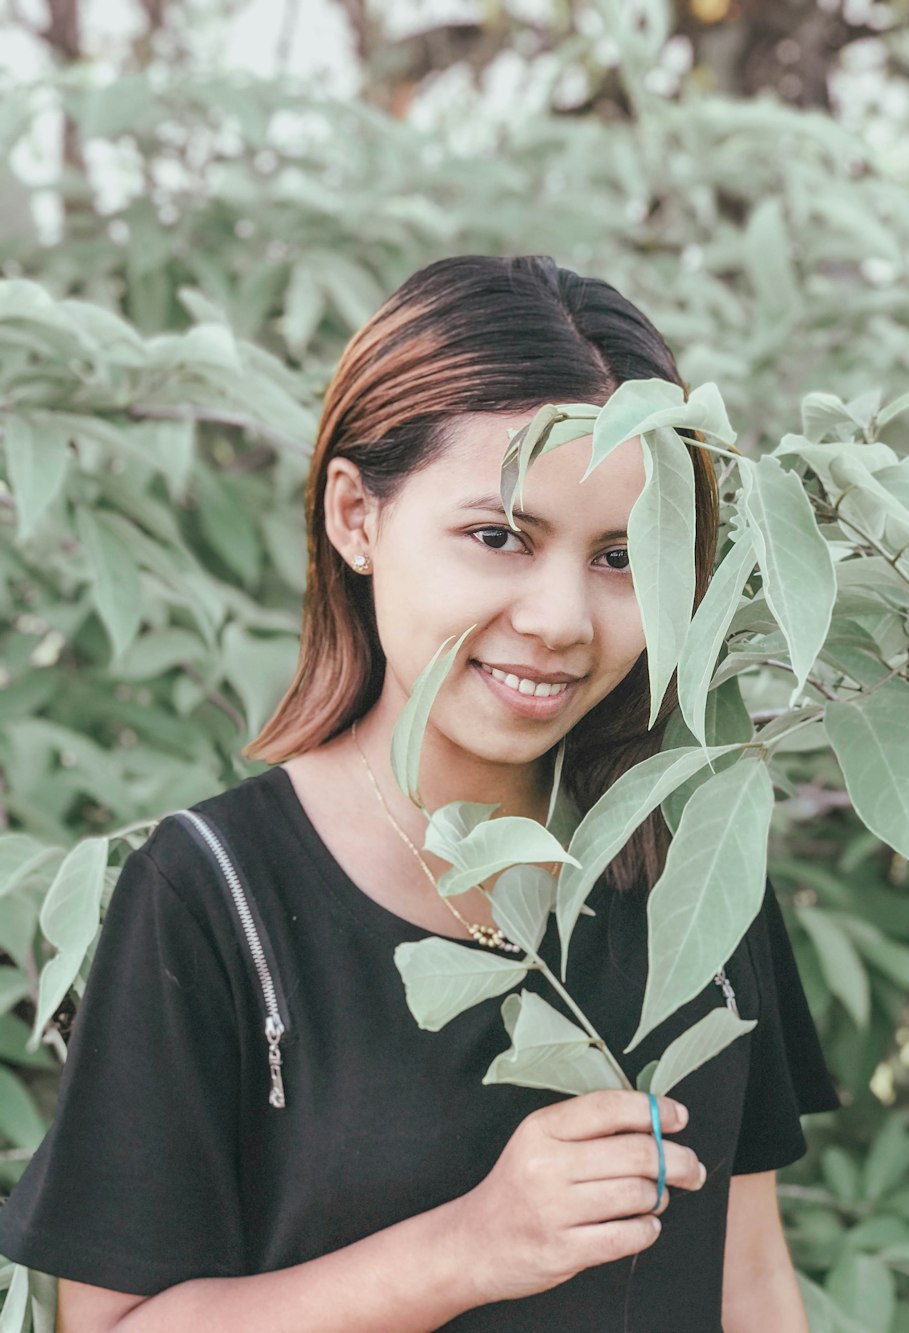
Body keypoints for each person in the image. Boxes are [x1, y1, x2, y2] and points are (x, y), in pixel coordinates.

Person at [0, 255, 839, 1332]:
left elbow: (748, 1282)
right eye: (499, 537)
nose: (560, 618)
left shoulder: (692, 854)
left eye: (623, 557)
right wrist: (469, 1246)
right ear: (356, 516)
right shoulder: (214, 894)